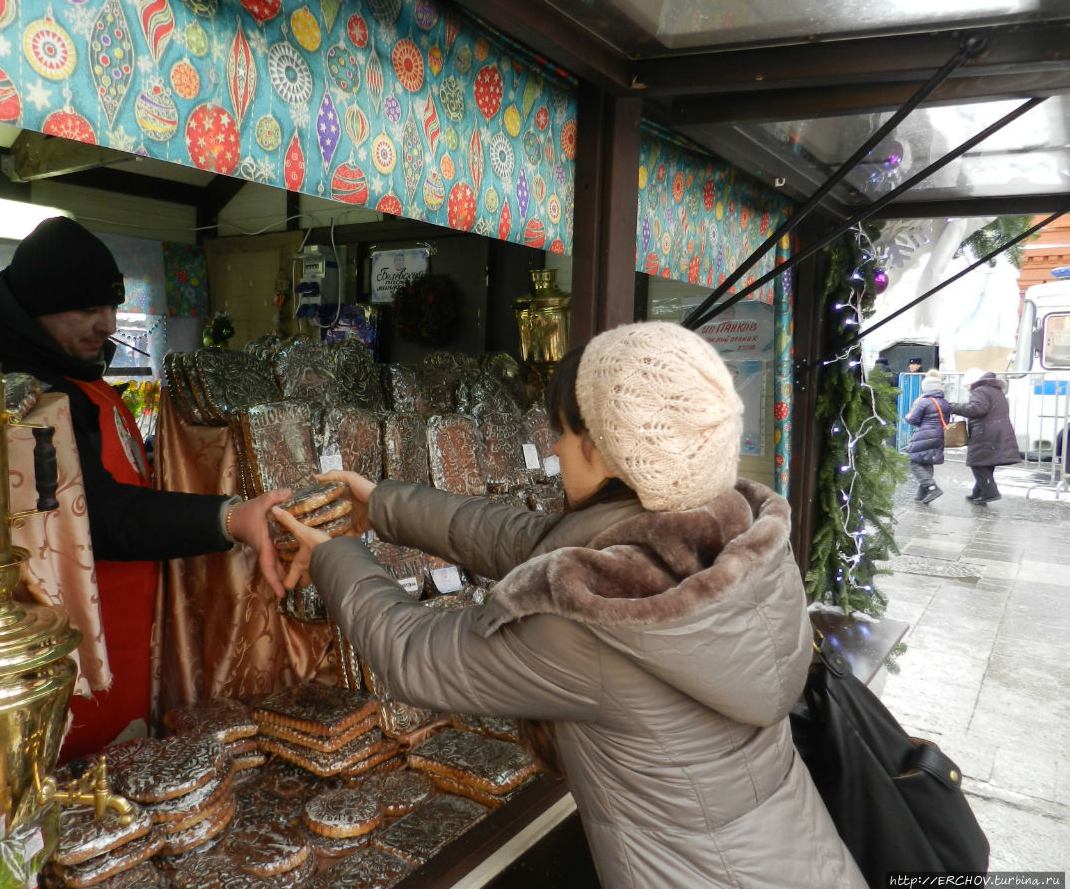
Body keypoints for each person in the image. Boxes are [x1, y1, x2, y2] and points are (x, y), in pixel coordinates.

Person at [273, 321, 864, 888]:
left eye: (560, 431)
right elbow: (530, 542)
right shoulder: (731, 530)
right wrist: (383, 505)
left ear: (606, 450)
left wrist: (336, 555)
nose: (552, 448)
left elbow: (413, 657)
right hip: (800, 852)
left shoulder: (592, 621)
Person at [0, 217, 290, 757]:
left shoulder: (68, 364)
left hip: (125, 623)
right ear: (34, 306)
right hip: (68, 639)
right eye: (86, 310)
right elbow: (96, 517)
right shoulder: (19, 393)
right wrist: (227, 517)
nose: (107, 324)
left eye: (111, 307)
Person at [950, 367, 1021, 503]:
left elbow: (977, 409)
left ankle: (990, 493)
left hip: (986, 431)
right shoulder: (994, 389)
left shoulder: (980, 390)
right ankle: (979, 492)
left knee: (977, 462)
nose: (967, 388)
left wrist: (954, 407)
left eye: (967, 385)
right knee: (986, 462)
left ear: (973, 382)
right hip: (997, 429)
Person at [903, 368, 948, 503]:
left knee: (914, 462)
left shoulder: (924, 401)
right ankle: (921, 494)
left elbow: (913, 420)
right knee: (927, 461)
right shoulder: (944, 402)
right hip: (939, 434)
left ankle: (932, 488)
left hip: (925, 433)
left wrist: (908, 416)